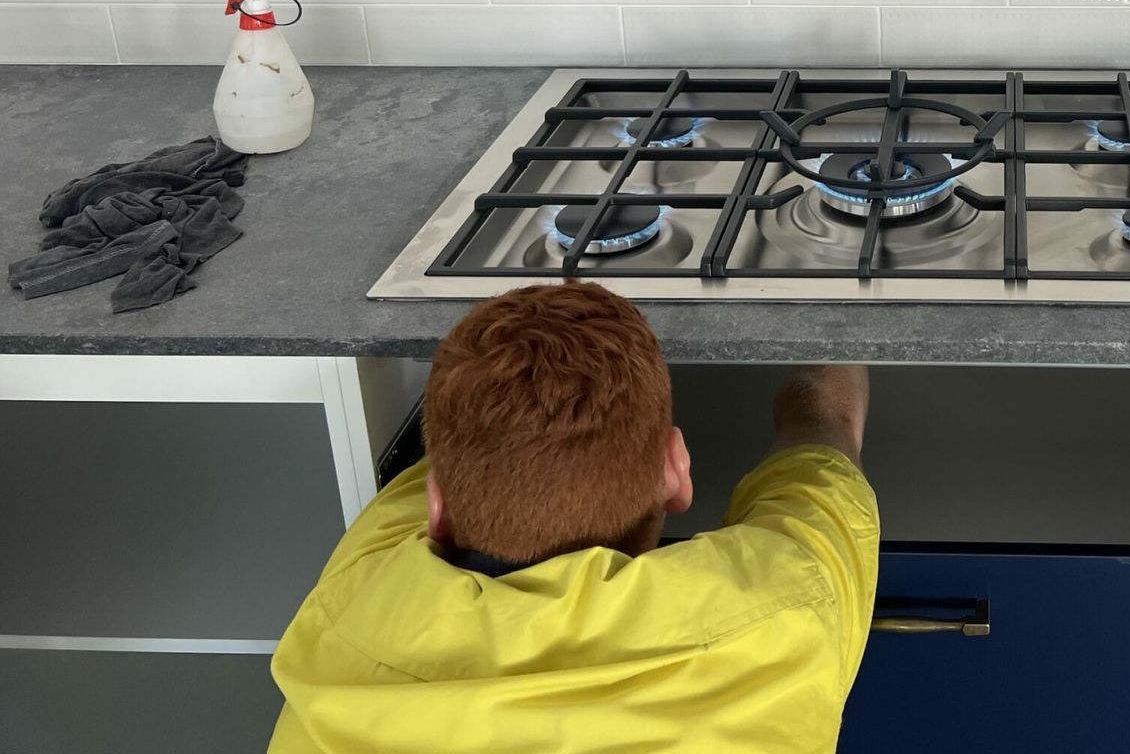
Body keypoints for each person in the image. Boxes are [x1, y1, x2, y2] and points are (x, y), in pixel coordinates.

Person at [267, 282, 878, 753]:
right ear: (676, 472)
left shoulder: (354, 592)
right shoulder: (791, 602)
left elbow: (464, 459)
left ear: (437, 509)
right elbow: (825, 420)